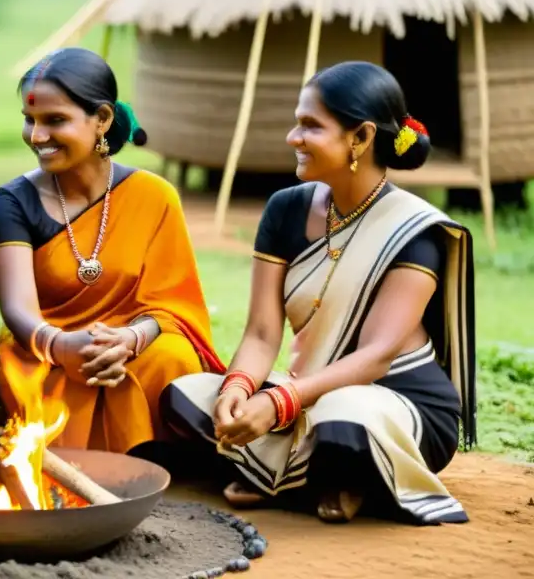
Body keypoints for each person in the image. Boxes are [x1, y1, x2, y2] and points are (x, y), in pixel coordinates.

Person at [164, 61, 476, 526]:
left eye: (310, 125)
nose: (293, 136)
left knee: (343, 422)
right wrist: (240, 388)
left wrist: (278, 403)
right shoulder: (285, 209)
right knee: (185, 398)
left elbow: (376, 357)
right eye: (297, 122)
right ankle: (318, 479)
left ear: (361, 137)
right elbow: (262, 332)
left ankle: (293, 474)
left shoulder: (415, 231)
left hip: (392, 403)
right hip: (306, 394)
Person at [0, 47, 225, 454]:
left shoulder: (154, 196)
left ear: (102, 119)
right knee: (27, 369)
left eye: (55, 120)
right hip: (48, 345)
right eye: (29, 121)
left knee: (172, 359)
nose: (37, 136)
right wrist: (62, 346)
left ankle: (154, 455)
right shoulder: (14, 200)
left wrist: (131, 338)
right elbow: (17, 309)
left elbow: (173, 305)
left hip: (135, 344)